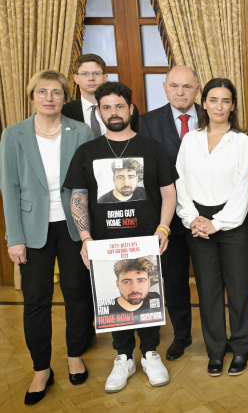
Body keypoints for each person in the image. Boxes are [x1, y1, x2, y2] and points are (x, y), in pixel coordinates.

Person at [65, 81, 177, 393]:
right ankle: (124, 357)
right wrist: (86, 238)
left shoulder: (153, 148)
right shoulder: (87, 152)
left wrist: (163, 228)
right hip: (105, 244)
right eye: (106, 107)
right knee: (117, 300)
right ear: (99, 111)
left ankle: (151, 352)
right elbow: (78, 197)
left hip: (147, 240)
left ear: (130, 109)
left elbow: (169, 193)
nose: (113, 112)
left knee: (145, 295)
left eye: (119, 106)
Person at [0, 70, 94, 405]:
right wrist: (14, 237)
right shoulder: (14, 135)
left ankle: (74, 355)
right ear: (32, 97)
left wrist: (88, 234)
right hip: (32, 229)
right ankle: (41, 368)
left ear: (65, 96)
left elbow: (88, 183)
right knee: (36, 300)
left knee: (77, 293)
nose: (50, 98)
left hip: (72, 226)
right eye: (42, 92)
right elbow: (9, 188)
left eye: (56, 92)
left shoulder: (80, 131)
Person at [176, 78, 248, 377]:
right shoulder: (190, 140)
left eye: (225, 101)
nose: (218, 106)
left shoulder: (243, 142)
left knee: (239, 290)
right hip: (197, 222)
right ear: (204, 103)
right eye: (213, 99)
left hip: (233, 223)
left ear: (233, 105)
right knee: (208, 292)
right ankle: (216, 350)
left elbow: (242, 189)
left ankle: (242, 347)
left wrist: (217, 223)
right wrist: (192, 218)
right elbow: (180, 181)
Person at [138, 65, 201, 362]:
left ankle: (217, 334)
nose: (180, 92)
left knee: (210, 279)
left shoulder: (214, 115)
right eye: (174, 86)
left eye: (187, 87)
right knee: (175, 281)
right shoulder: (146, 122)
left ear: (197, 89)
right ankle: (182, 335)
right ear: (165, 88)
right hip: (168, 220)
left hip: (206, 217)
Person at [62, 53, 140, 135]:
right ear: (76, 78)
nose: (91, 78)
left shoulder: (127, 110)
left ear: (105, 77)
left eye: (96, 73)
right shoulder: (65, 112)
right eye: (85, 74)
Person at [110, 257, 162, 323]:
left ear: (148, 282)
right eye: (127, 282)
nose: (135, 289)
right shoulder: (108, 310)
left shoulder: (156, 297)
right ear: (118, 284)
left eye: (141, 280)